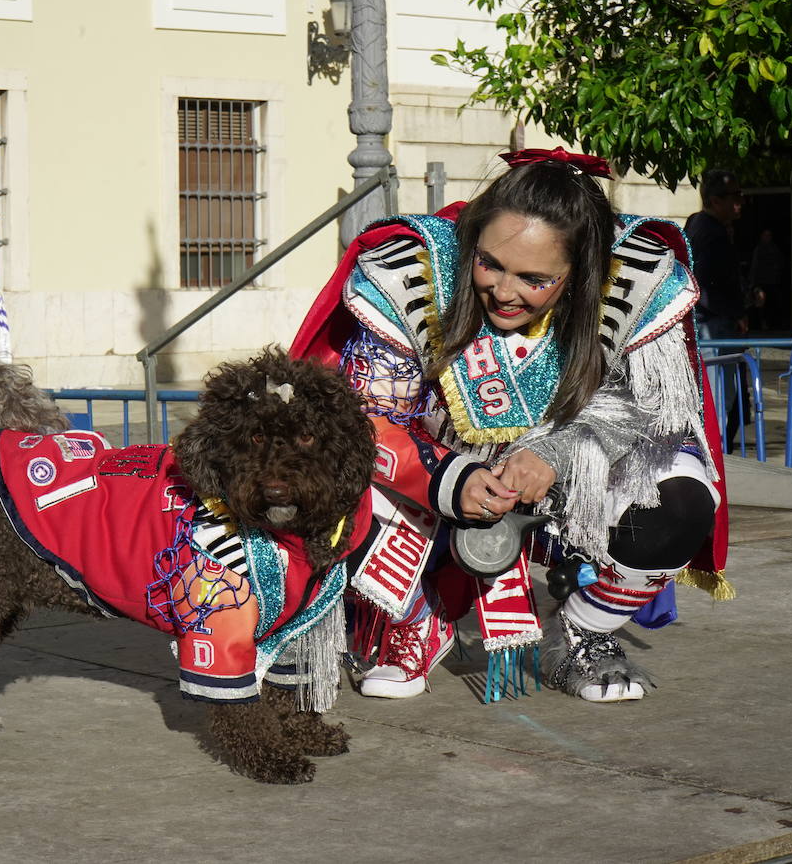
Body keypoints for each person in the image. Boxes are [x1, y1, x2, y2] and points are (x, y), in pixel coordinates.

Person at [291, 147, 732, 704]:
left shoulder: (636, 281)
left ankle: (582, 631)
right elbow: (364, 418)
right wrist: (448, 477)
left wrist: (557, 452)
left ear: (580, 273)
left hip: (576, 466)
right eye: (490, 264)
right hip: (431, 467)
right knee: (329, 471)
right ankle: (408, 622)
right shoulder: (412, 274)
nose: (503, 292)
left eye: (534, 279)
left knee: (681, 490)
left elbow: (652, 407)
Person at [685, 170, 749, 451]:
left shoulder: (702, 227)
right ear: (714, 200)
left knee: (719, 396)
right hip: (712, 325)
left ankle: (715, 454)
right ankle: (716, 458)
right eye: (733, 196)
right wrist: (734, 313)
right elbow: (702, 284)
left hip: (711, 322)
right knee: (719, 397)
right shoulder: (710, 232)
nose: (740, 202)